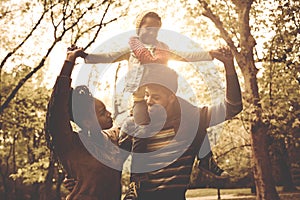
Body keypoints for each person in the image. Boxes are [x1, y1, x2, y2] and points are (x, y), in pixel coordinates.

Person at [123, 47, 243, 200]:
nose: (149, 101)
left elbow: (233, 108)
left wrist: (229, 66)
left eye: (156, 97)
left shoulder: (191, 120)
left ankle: (206, 161)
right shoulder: (140, 124)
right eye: (147, 95)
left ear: (172, 98)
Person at [78, 10, 214, 126]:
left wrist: (209, 54)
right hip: (140, 96)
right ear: (139, 29)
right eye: (148, 28)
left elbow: (186, 55)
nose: (152, 33)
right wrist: (87, 56)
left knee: (175, 119)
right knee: (141, 126)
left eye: (156, 30)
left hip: (160, 95)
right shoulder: (131, 49)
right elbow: (109, 56)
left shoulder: (163, 49)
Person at [45, 48, 127, 200]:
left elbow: (137, 118)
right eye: (102, 112)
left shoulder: (115, 138)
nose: (109, 114)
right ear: (88, 122)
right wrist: (69, 61)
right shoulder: (72, 144)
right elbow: (56, 113)